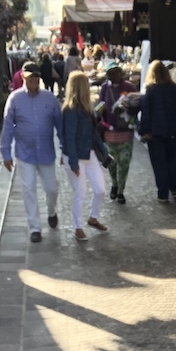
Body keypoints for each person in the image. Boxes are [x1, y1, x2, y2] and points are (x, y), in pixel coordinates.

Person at [0, 61, 62, 243]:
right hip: (24, 153)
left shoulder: (50, 99)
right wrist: (5, 152)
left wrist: (64, 148)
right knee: (28, 189)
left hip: (46, 152)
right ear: (23, 78)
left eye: (36, 76)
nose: (34, 80)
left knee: (52, 188)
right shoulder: (15, 99)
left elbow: (60, 124)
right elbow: (8, 127)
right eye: (30, 77)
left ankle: (51, 212)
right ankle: (35, 227)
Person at [62, 70, 109, 241]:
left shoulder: (87, 108)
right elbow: (69, 137)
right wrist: (74, 163)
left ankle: (93, 218)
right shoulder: (70, 110)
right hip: (75, 156)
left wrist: (103, 152)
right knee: (80, 193)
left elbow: (93, 133)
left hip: (88, 154)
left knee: (100, 189)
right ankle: (78, 227)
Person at [139, 60, 176, 203]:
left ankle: (163, 193)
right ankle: (175, 189)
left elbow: (146, 111)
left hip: (155, 131)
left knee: (159, 162)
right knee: (172, 159)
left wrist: (145, 129)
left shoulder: (149, 90)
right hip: (173, 128)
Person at [99, 60, 137, 204]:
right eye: (112, 72)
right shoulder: (104, 88)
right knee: (112, 163)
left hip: (126, 132)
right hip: (110, 132)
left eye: (117, 71)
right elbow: (100, 105)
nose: (116, 74)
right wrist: (100, 113)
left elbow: (136, 106)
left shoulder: (130, 87)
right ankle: (114, 184)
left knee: (124, 163)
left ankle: (121, 191)